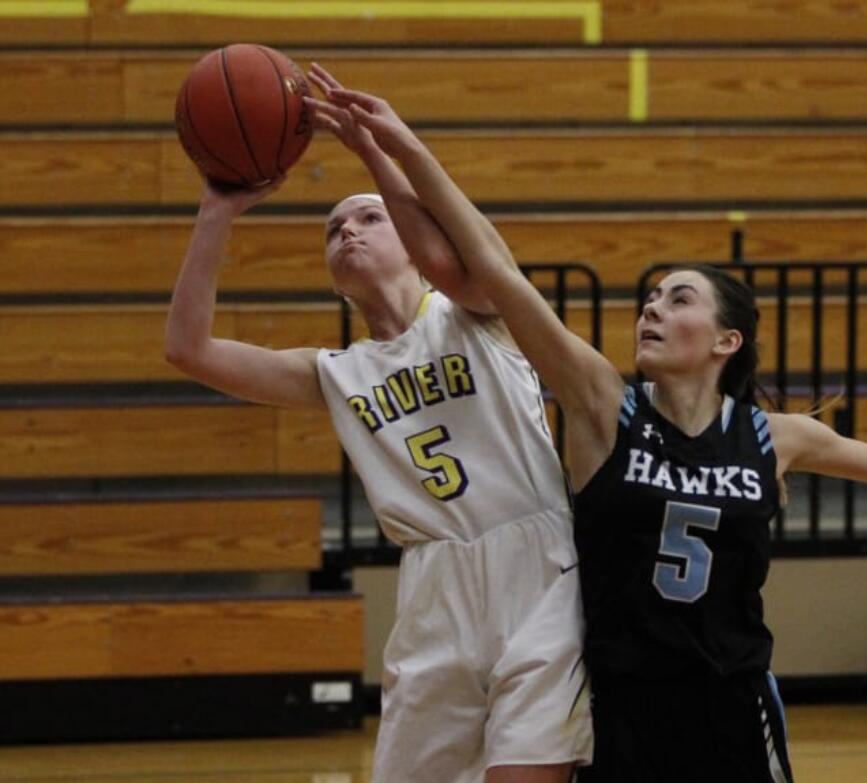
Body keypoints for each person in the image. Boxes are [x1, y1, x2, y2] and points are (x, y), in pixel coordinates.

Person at [317, 80, 867, 783]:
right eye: (651, 296)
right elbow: (490, 266)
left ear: (725, 340)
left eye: (677, 299)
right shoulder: (604, 406)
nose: (651, 308)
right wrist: (400, 148)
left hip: (732, 700)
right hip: (620, 705)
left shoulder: (773, 436)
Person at [165, 66, 590, 783]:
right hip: (434, 584)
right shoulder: (336, 372)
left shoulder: (481, 315)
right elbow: (189, 349)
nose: (347, 230)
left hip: (538, 564)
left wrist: (376, 154)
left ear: (415, 245)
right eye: (334, 228)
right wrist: (216, 212)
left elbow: (458, 258)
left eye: (367, 218)